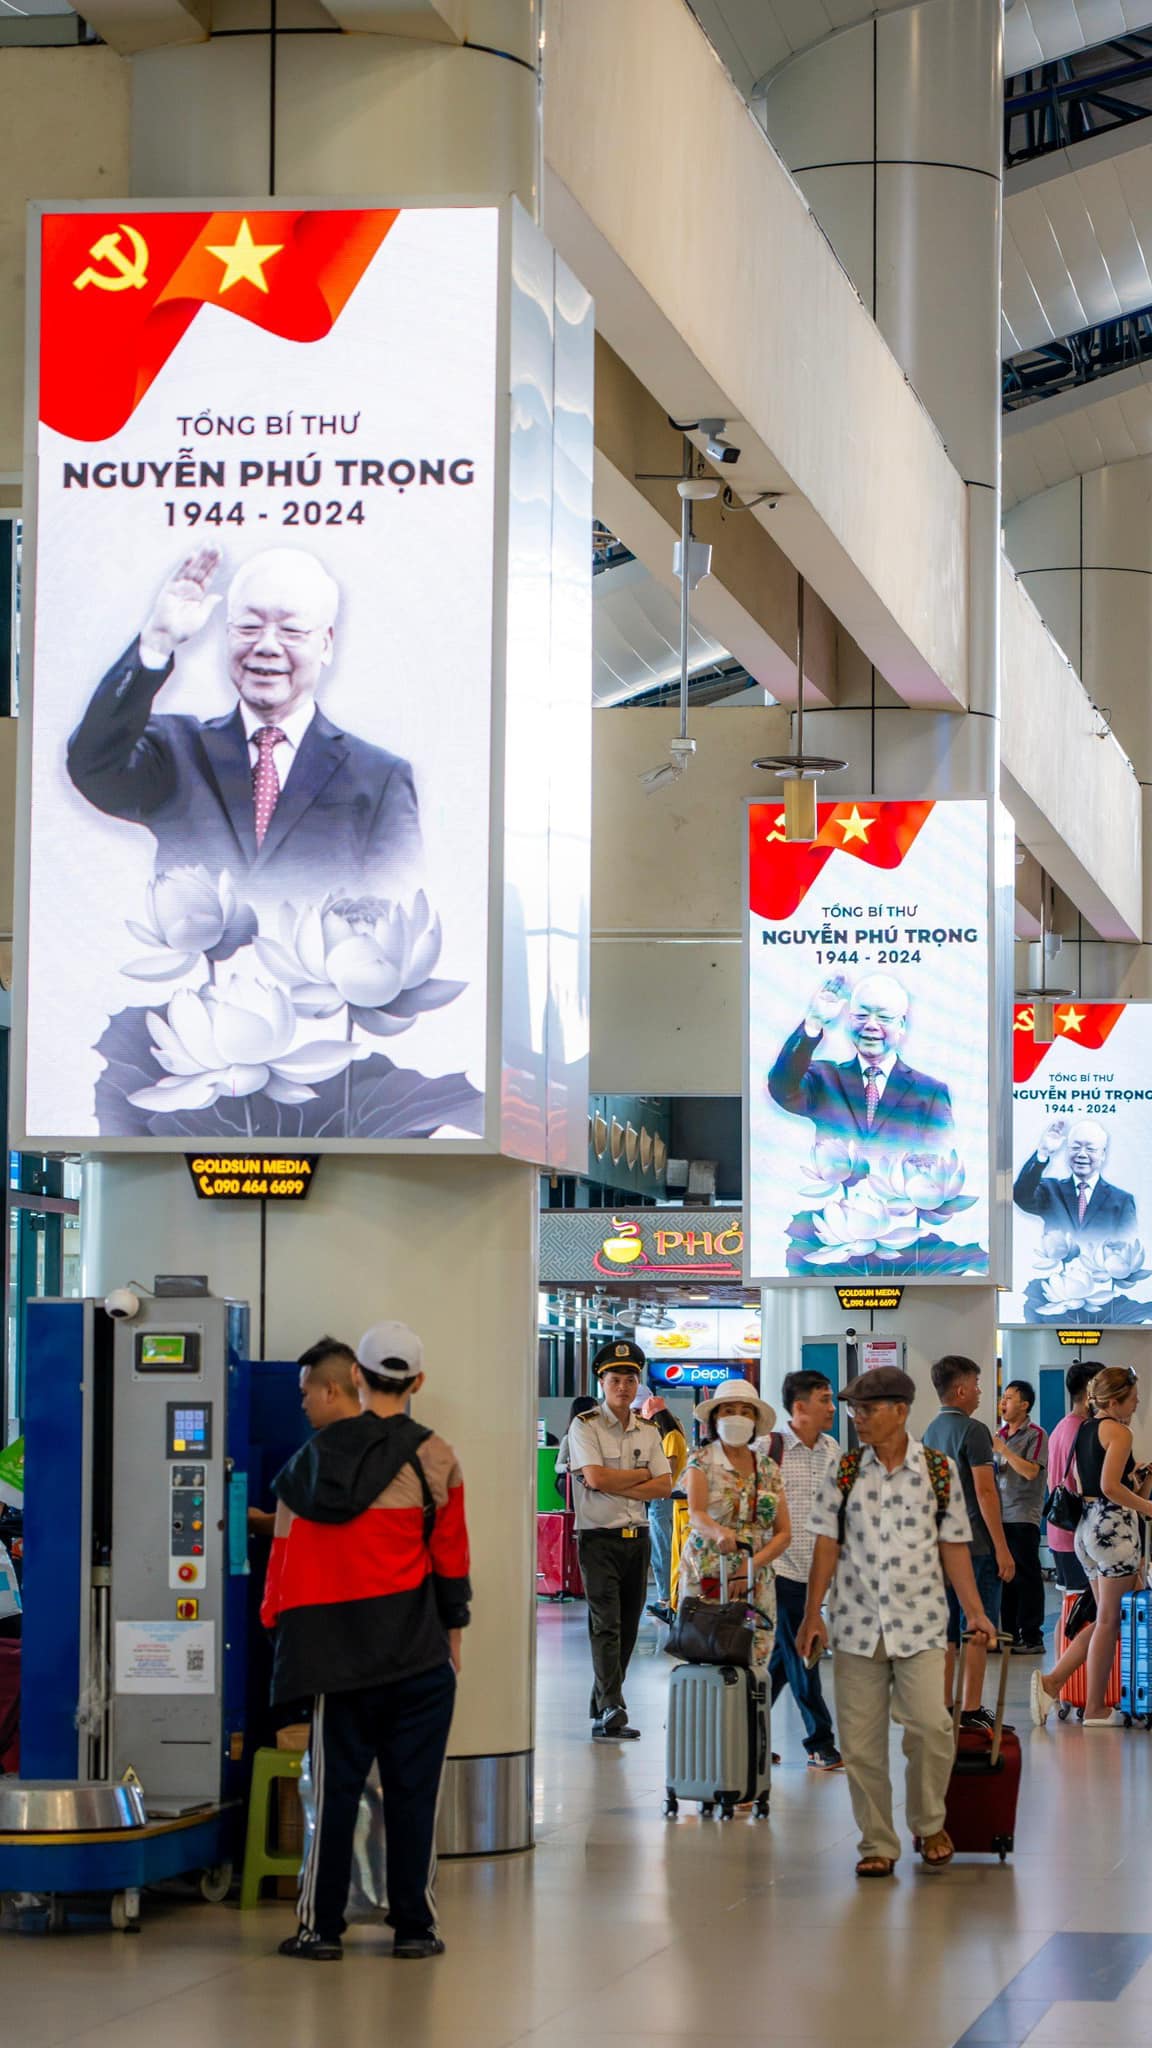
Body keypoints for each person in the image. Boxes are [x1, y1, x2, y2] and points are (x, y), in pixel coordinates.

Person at [262, 1320, 470, 1961]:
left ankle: (320, 1929)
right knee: (413, 1793)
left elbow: (284, 1565)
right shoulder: (436, 1456)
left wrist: (283, 1631)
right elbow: (451, 1559)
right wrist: (452, 1639)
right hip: (416, 1654)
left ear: (356, 1376)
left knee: (333, 1793)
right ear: (419, 1382)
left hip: (336, 1660)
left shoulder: (306, 1466)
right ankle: (414, 1927)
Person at [67, 545, 422, 903]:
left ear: (326, 644)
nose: (267, 646)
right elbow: (92, 765)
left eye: (292, 630)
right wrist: (158, 640)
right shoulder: (176, 752)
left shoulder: (380, 778)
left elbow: (398, 910)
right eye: (249, 627)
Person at [797, 1366, 997, 1878]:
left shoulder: (936, 1469)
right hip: (856, 1625)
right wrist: (811, 1614)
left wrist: (974, 1610)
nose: (857, 1419)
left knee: (931, 1728)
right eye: (854, 1410)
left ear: (900, 1411)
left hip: (923, 1623)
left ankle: (929, 1822)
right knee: (861, 1744)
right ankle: (877, 1843)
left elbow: (954, 1545)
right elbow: (826, 1542)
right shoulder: (844, 1472)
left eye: (867, 1409)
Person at [1032, 1365, 1152, 1730]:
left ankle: (1053, 1682)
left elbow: (1095, 1484)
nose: (1136, 1404)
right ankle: (1097, 1707)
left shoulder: (1084, 1429)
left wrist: (1139, 1482)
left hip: (1087, 1528)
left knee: (1105, 1619)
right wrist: (1148, 1506)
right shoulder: (1119, 1431)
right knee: (1108, 1621)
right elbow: (1111, 1487)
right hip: (1113, 1531)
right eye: (1132, 1399)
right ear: (1115, 1400)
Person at [566, 1340, 672, 1741]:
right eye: (615, 1379)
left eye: (630, 1379)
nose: (623, 1387)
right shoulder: (585, 1426)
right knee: (605, 1624)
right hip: (598, 1539)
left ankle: (603, 1705)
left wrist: (621, 1482)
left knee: (628, 1628)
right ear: (602, 1382)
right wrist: (640, 1477)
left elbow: (664, 1485)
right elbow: (593, 1479)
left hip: (637, 1539)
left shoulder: (647, 1429)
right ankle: (613, 1705)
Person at [922, 1354, 1014, 1731]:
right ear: (960, 1390)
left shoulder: (930, 1431)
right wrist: (1002, 1549)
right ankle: (972, 1709)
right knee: (979, 1626)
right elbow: (985, 1492)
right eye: (977, 1385)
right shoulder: (974, 1431)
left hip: (941, 1547)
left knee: (947, 1634)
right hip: (976, 1546)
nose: (980, 1392)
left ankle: (946, 1707)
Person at [767, 971, 952, 1151]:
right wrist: (814, 1021)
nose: (871, 1025)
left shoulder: (931, 1093)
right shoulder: (824, 1080)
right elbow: (782, 1088)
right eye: (862, 1016)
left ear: (901, 1025)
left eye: (883, 1017)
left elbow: (940, 1162)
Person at [680, 1379, 791, 1680]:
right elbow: (697, 1512)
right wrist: (718, 1532)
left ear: (755, 1421)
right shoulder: (701, 1462)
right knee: (707, 1647)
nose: (738, 1417)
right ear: (716, 1418)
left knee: (755, 1653)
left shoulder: (768, 1468)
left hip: (757, 1575)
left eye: (746, 1412)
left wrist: (750, 1565)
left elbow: (783, 1533)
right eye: (729, 1410)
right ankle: (707, 1720)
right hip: (709, 1571)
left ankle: (746, 1724)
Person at [765, 1370, 844, 1770]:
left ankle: (748, 1731)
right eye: (824, 1399)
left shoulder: (833, 1449)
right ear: (799, 1407)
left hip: (815, 1574)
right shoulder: (769, 1449)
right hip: (777, 1570)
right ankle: (819, 1741)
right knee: (803, 1651)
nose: (832, 1407)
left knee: (781, 1661)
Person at [249, 1337, 362, 1540]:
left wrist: (253, 1521)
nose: (303, 1405)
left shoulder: (328, 1452)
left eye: (305, 1393)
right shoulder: (383, 1446)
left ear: (330, 1390)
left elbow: (302, 1522)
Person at [1013, 1118, 1137, 1244]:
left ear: (1103, 1154)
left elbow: (1128, 1245)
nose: (1082, 1154)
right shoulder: (1050, 1190)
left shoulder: (1122, 1201)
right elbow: (1021, 1196)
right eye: (1076, 1147)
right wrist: (1043, 1153)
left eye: (1090, 1149)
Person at [995, 1380, 1048, 1654]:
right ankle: (1009, 1634)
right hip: (999, 1516)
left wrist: (1003, 1451)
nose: (1003, 1403)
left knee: (1026, 1576)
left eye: (1010, 1398)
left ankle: (1032, 1637)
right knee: (1006, 1575)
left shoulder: (1035, 1435)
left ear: (1025, 1404)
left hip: (1023, 1515)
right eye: (1003, 1398)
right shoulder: (1000, 1434)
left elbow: (1030, 1472)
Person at [639, 1391, 688, 1622]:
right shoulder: (677, 1433)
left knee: (662, 1550)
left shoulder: (669, 1437)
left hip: (662, 1499)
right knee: (668, 1548)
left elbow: (667, 1468)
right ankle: (669, 1596)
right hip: (669, 1499)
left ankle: (665, 1598)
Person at [1046, 1363, 1094, 1593]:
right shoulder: (1085, 1430)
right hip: (1079, 1534)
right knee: (1084, 1612)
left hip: (1059, 1529)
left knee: (1070, 1606)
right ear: (1089, 1392)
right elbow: (1085, 1484)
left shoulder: (1060, 1427)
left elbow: (1050, 1480)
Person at [554, 1395, 600, 1487]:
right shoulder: (568, 1438)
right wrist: (568, 1467)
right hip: (574, 1482)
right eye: (593, 1410)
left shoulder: (599, 1434)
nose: (598, 1413)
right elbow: (557, 1467)